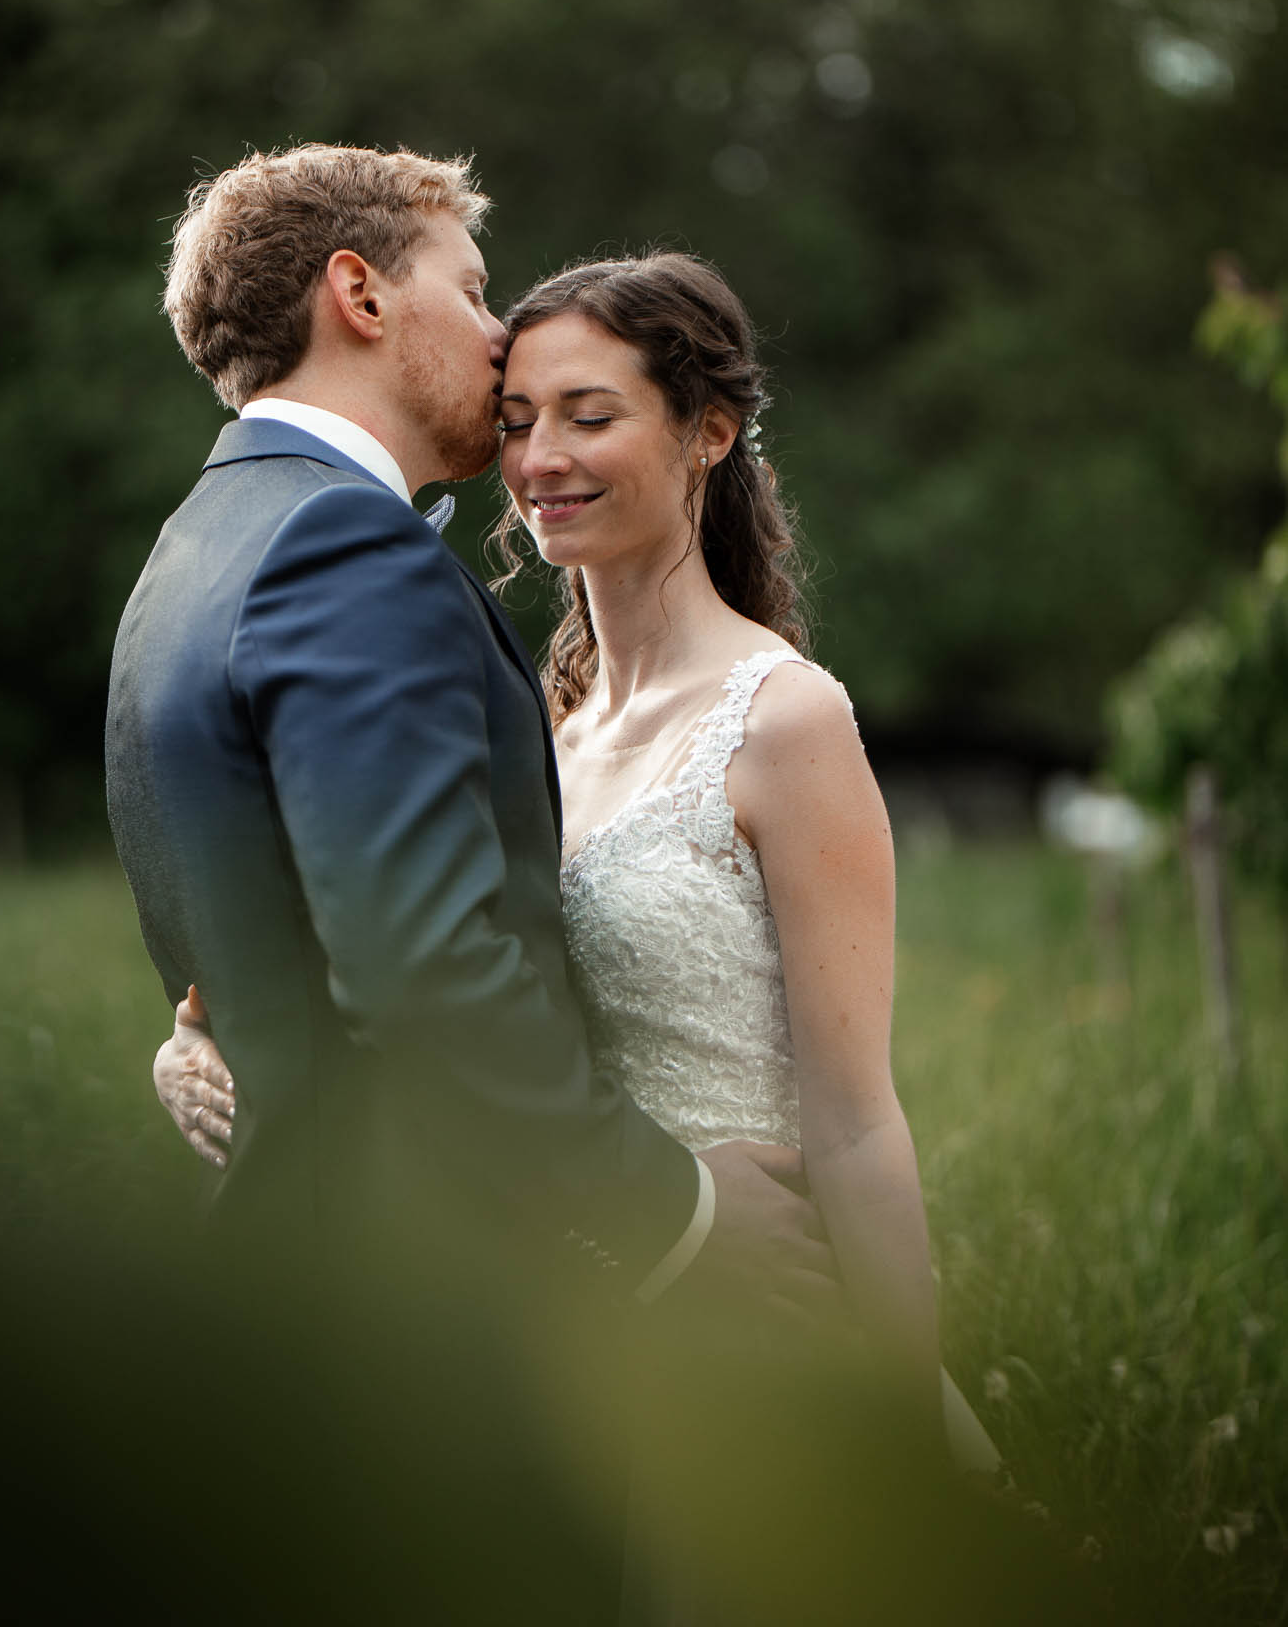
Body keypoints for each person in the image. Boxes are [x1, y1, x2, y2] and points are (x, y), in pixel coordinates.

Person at [152, 240, 997, 1471]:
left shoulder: (786, 720)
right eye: (517, 419)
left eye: (588, 416)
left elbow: (858, 1121)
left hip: (766, 1313)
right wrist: (198, 1037)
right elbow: (408, 958)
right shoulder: (541, 730)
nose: (540, 459)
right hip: (581, 1326)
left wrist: (902, 1402)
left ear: (708, 433)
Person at [107, 144, 831, 1307]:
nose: (500, 336)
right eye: (475, 287)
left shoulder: (185, 556)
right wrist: (675, 1208)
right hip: (420, 1298)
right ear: (362, 294)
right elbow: (420, 963)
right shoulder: (349, 545)